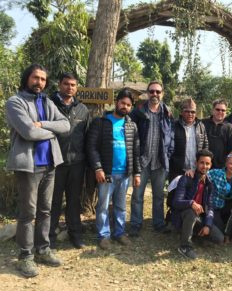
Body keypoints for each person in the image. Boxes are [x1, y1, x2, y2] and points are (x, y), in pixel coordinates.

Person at [5, 64, 70, 277]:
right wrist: (51, 131)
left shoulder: (47, 101)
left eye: (43, 79)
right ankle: (25, 256)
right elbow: (28, 132)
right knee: (28, 213)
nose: (39, 82)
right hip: (28, 166)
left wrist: (42, 124)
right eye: (36, 78)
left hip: (50, 163)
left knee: (46, 210)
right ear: (27, 78)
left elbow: (66, 125)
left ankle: (43, 250)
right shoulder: (15, 102)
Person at [86, 88, 141, 249]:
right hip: (107, 174)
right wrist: (98, 168)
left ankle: (120, 233)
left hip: (124, 174)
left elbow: (136, 151)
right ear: (116, 102)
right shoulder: (101, 122)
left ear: (131, 107)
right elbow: (92, 148)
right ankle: (103, 235)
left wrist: (136, 173)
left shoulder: (132, 126)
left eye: (128, 105)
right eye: (123, 103)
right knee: (103, 205)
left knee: (121, 206)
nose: (125, 107)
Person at [49, 72, 90, 249]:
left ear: (76, 87)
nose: (70, 87)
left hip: (77, 164)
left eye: (73, 85)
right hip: (55, 162)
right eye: (66, 84)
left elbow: (87, 137)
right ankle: (49, 236)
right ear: (60, 85)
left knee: (74, 201)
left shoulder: (83, 109)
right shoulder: (49, 105)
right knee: (53, 201)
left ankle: (75, 234)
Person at [129, 81, 174, 236]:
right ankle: (135, 224)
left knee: (159, 196)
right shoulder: (138, 112)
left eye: (158, 92)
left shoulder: (167, 113)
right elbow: (131, 134)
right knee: (137, 195)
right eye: (152, 91)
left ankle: (158, 223)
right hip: (142, 161)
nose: (155, 94)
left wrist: (168, 154)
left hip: (160, 161)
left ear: (162, 93)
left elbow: (171, 135)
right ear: (147, 93)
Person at [172, 149, 224, 259]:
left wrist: (208, 225)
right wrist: (191, 203)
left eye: (207, 163)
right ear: (196, 163)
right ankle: (185, 246)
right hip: (184, 215)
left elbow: (210, 207)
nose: (204, 166)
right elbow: (176, 202)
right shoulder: (186, 178)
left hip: (200, 217)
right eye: (201, 163)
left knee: (219, 238)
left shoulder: (209, 183)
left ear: (210, 165)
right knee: (192, 212)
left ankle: (195, 234)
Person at [169, 98, 208, 182]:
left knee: (194, 195)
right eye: (187, 111)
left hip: (196, 171)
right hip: (177, 171)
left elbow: (205, 146)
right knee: (175, 195)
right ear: (181, 112)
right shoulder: (174, 125)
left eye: (193, 112)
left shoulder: (200, 126)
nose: (190, 114)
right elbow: (169, 147)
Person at [208, 152, 232, 231]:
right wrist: (192, 171)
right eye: (231, 164)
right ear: (226, 163)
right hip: (214, 206)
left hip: (226, 207)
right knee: (220, 231)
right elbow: (202, 174)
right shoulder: (216, 173)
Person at [203, 99, 232, 169]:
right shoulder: (203, 124)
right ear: (213, 110)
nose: (220, 112)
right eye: (218, 109)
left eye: (223, 110)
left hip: (222, 168)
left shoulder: (229, 127)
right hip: (204, 166)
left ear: (226, 112)